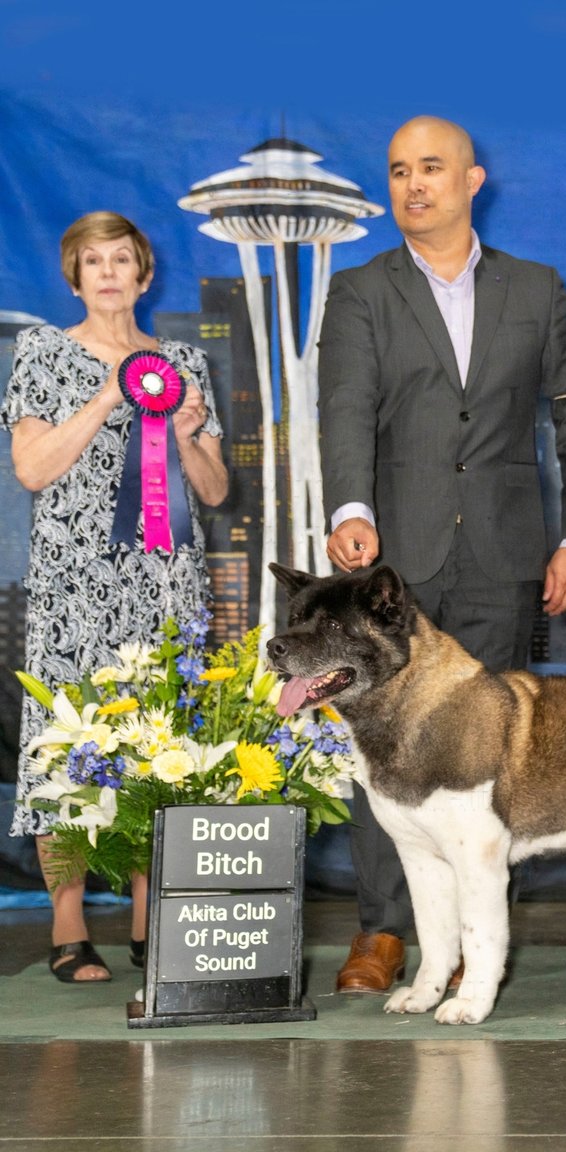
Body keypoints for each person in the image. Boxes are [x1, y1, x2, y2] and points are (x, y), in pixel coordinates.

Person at [317, 116, 566, 994]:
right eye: (399, 170)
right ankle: (383, 934)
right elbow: (344, 408)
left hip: (503, 556)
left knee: (486, 763)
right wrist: (351, 509)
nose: (414, 184)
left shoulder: (541, 290)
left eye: (431, 168)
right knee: (385, 751)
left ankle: (476, 953)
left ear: (472, 181)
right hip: (390, 567)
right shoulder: (360, 291)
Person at [3, 211, 228, 982]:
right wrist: (106, 396)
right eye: (92, 261)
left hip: (164, 582)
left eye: (121, 259)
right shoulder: (42, 353)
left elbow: (214, 490)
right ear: (75, 278)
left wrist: (188, 435)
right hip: (74, 583)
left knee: (159, 744)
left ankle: (149, 917)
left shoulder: (184, 363)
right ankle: (67, 924)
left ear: (144, 274)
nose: (107, 273)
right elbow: (32, 469)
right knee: (68, 743)